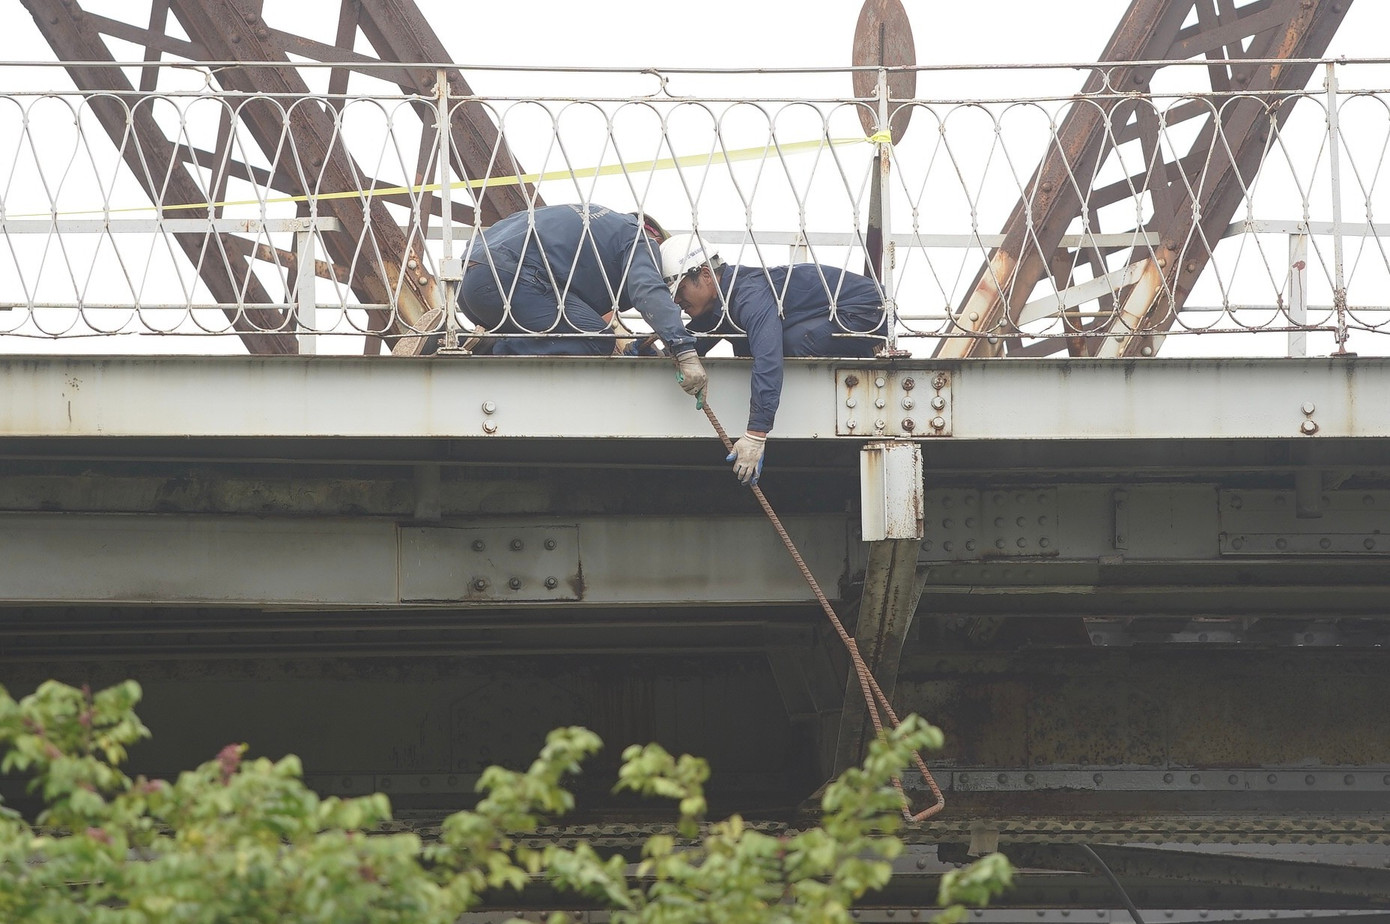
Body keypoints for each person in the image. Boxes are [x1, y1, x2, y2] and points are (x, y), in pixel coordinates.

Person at [659, 234, 885, 486]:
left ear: (705, 275)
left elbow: (768, 357)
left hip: (864, 310)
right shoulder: (722, 303)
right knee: (746, 341)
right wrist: (660, 351)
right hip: (832, 312)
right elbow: (701, 334)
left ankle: (863, 353)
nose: (677, 301)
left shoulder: (748, 295)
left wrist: (756, 433)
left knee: (787, 343)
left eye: (680, 291)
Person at [458, 203, 707, 399]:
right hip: (507, 280)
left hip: (469, 283)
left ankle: (466, 340)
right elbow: (648, 290)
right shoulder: (638, 239)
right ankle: (495, 348)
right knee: (596, 340)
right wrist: (683, 350)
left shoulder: (600, 227)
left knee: (575, 331)